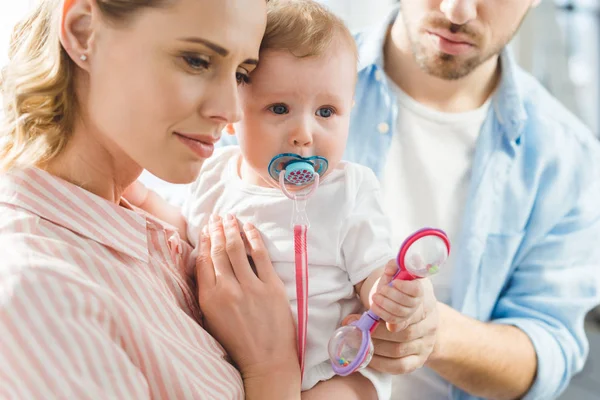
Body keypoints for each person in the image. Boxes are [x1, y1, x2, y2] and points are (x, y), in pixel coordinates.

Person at [0, 0, 326, 398]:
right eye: (196, 60)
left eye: (241, 73)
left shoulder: (151, 231)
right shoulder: (39, 295)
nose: (230, 111)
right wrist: (271, 370)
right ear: (85, 31)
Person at [125, 1, 436, 398]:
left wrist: (386, 294)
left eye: (326, 111)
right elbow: (185, 227)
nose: (304, 133)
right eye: (279, 108)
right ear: (235, 113)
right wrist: (139, 195)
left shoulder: (349, 190)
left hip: (335, 369)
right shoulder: (216, 175)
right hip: (238, 366)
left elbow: (372, 267)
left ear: (349, 113)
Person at [336, 0, 600, 399]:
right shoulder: (270, 81)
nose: (457, 11)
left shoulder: (568, 158)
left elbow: (549, 347)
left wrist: (433, 333)